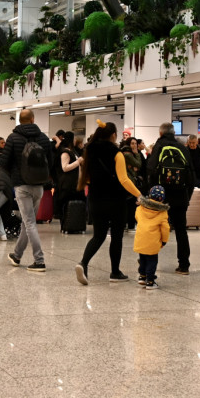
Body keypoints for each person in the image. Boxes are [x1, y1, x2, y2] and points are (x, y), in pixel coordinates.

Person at [74, 121, 141, 285]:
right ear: (113, 135)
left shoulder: (89, 150)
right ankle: (115, 272)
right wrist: (139, 194)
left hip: (95, 199)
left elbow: (87, 178)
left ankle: (83, 263)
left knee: (98, 236)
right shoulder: (117, 153)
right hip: (116, 200)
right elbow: (124, 179)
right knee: (117, 236)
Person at [3, 109, 53, 272]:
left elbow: (4, 163)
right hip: (39, 186)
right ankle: (17, 255)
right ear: (32, 119)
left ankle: (39, 261)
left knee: (29, 222)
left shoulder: (13, 138)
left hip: (22, 186)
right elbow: (51, 162)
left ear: (19, 120)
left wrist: (14, 174)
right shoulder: (44, 138)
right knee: (27, 221)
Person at [146, 122, 194, 275]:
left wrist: (151, 195)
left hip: (161, 197)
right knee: (181, 231)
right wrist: (187, 196)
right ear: (174, 133)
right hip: (180, 196)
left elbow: (151, 171)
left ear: (160, 133)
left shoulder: (159, 146)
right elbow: (191, 175)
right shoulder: (182, 148)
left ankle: (148, 260)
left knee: (154, 229)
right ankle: (184, 265)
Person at [134, 185, 170, 290]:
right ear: (162, 199)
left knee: (142, 259)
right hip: (153, 242)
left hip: (141, 239)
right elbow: (165, 228)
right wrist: (164, 241)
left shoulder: (140, 208)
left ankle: (142, 276)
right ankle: (150, 281)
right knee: (152, 261)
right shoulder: (162, 212)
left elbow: (136, 217)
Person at [55, 132, 82, 229]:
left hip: (74, 183)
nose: (75, 140)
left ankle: (73, 225)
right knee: (66, 205)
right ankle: (65, 225)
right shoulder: (65, 152)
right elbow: (65, 167)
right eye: (74, 138)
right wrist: (78, 162)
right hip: (67, 184)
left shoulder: (73, 151)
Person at [122, 136, 145, 230]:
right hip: (129, 181)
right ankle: (130, 225)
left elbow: (137, 166)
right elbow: (138, 164)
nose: (134, 145)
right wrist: (137, 154)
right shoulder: (128, 154)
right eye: (132, 143)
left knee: (129, 203)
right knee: (131, 204)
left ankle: (128, 224)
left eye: (135, 143)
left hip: (129, 180)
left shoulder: (126, 153)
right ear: (128, 144)